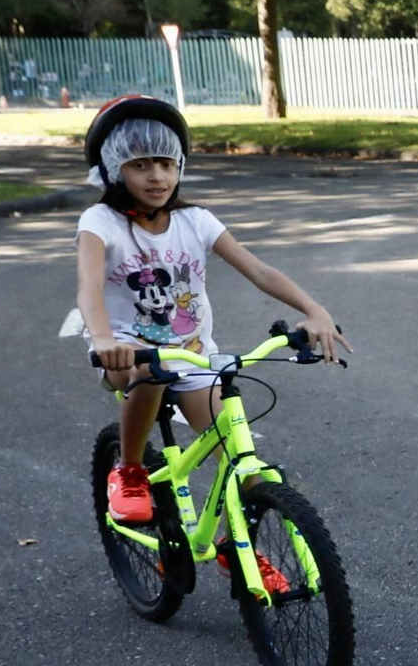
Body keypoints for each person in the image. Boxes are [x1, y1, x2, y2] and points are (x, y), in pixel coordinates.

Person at [73, 95, 348, 529]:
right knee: (148, 374)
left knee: (243, 468)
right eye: (140, 164)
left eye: (166, 163)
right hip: (127, 352)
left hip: (193, 354)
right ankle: (128, 470)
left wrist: (314, 309)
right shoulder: (99, 222)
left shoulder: (196, 221)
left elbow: (258, 270)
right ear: (113, 168)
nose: (157, 176)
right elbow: (88, 289)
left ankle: (239, 552)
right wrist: (105, 339)